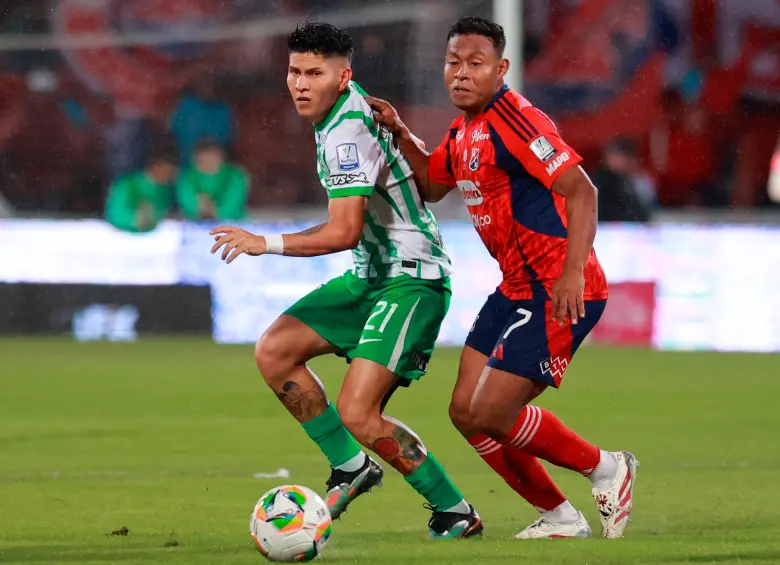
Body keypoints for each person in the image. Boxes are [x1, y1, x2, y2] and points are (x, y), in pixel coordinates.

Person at [367, 16, 637, 540]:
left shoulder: (519, 121)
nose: (461, 74)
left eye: (475, 64)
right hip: (516, 286)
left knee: (492, 410)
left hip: (559, 289)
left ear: (501, 68)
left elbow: (583, 192)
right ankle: (560, 517)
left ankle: (606, 467)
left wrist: (572, 273)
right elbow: (432, 184)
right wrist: (400, 132)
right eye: (453, 63)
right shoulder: (464, 128)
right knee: (465, 412)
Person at [210, 22, 482, 539]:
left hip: (411, 280)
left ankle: (455, 510)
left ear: (344, 76)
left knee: (360, 412)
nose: (301, 83)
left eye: (315, 72)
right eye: (294, 71)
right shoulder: (346, 107)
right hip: (370, 275)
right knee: (274, 352)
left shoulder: (345, 132)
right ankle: (353, 467)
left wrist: (262, 242)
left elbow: (344, 230)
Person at [105, 149, 177, 233]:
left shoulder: (167, 189)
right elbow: (116, 213)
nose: (171, 174)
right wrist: (137, 219)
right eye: (169, 169)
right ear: (156, 167)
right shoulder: (126, 185)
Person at [176, 138, 249, 221]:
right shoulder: (186, 177)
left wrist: (212, 210)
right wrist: (202, 209)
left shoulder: (234, 175)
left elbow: (230, 207)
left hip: (233, 226)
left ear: (221, 157)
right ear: (195, 159)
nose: (209, 161)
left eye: (213, 155)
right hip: (195, 227)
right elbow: (190, 205)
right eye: (204, 158)